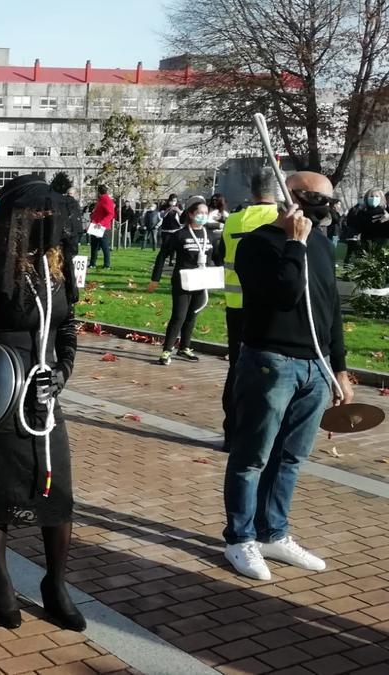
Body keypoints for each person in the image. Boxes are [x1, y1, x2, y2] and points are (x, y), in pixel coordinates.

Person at [0, 174, 83, 632]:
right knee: (1, 492)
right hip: (3, 394)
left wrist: (61, 374)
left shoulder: (57, 263)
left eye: (53, 212)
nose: (49, 219)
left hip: (44, 394)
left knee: (56, 490)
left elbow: (68, 329)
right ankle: (1, 579)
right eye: (40, 212)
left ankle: (55, 583)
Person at [223, 171, 354, 581]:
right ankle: (239, 537)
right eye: (318, 198)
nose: (327, 207)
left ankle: (272, 532)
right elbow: (285, 293)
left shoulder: (319, 241)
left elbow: (329, 307)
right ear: (291, 197)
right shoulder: (258, 245)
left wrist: (339, 367)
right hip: (271, 362)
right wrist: (294, 243)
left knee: (291, 457)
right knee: (253, 456)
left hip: (314, 366)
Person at [220, 170, 281, 454]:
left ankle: (231, 432)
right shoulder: (281, 219)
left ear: (252, 190)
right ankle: (261, 436)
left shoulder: (233, 218)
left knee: (236, 367)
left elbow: (221, 255)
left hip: (235, 305)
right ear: (277, 192)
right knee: (269, 372)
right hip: (268, 307)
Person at [148, 197, 221, 365]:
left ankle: (185, 347)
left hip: (201, 281)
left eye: (205, 213)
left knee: (192, 315)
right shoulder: (180, 235)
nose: (203, 215)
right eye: (199, 213)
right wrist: (155, 279)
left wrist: (223, 270)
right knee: (179, 316)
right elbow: (162, 256)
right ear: (191, 214)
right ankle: (167, 351)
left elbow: (217, 257)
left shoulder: (210, 235)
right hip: (183, 281)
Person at [348, 188, 389, 253]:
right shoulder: (361, 213)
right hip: (365, 243)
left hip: (380, 244)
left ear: (381, 198)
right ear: (366, 198)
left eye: (377, 196)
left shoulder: (384, 213)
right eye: (371, 196)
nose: (374, 198)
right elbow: (358, 227)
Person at [87, 185, 114, 269]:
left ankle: (107, 264)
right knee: (94, 246)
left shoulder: (106, 200)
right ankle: (92, 263)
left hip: (102, 227)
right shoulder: (100, 200)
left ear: (98, 192)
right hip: (96, 225)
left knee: (104, 246)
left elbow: (110, 214)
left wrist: (102, 223)